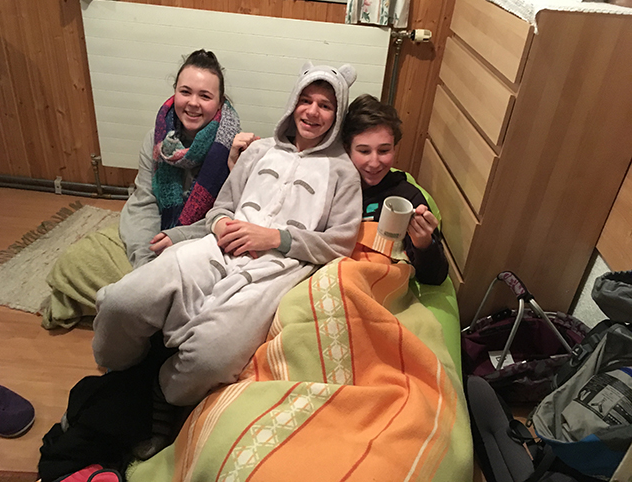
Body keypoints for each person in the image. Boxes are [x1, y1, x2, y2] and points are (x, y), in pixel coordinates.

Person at [91, 62, 362, 412]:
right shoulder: (260, 151)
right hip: (216, 248)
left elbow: (340, 243)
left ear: (337, 116)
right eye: (305, 100)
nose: (312, 112)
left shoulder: (344, 173)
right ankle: (122, 370)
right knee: (121, 301)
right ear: (293, 102)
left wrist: (275, 238)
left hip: (273, 273)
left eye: (325, 105)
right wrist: (219, 224)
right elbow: (221, 208)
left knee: (211, 358)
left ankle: (161, 395)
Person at [43, 49, 241, 330]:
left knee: (210, 294)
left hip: (201, 244)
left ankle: (137, 308)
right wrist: (145, 263)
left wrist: (178, 237)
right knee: (74, 262)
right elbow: (143, 201)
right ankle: (152, 310)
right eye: (185, 92)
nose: (193, 103)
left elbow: (231, 217)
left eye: (205, 96)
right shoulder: (157, 139)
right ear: (175, 93)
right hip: (155, 238)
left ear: (220, 102)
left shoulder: (233, 148)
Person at [341, 94, 448, 285]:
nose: (374, 162)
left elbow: (435, 278)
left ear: (394, 149)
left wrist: (424, 243)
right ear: (347, 149)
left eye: (384, 151)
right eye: (364, 151)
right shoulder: (333, 187)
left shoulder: (408, 197)